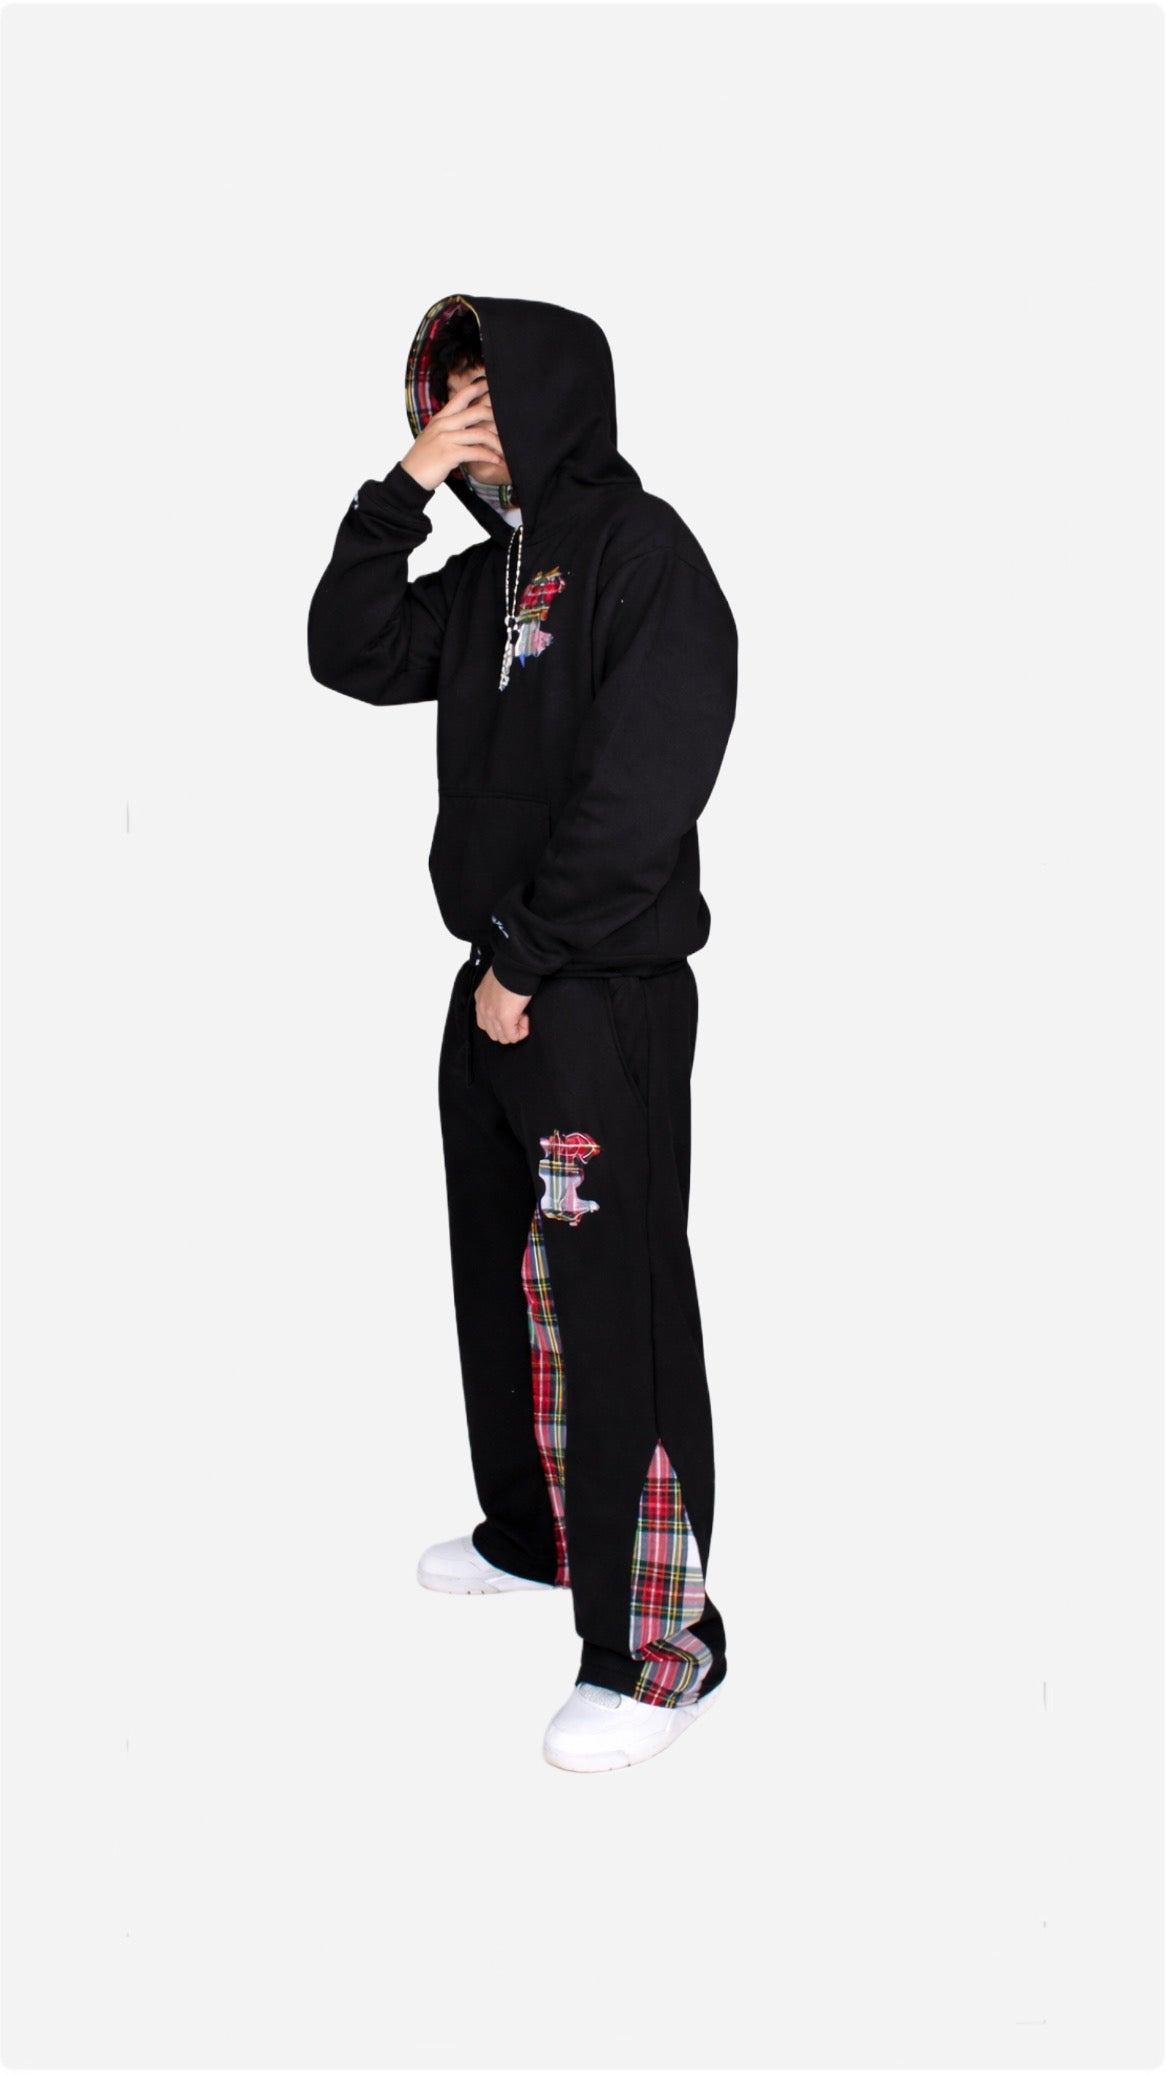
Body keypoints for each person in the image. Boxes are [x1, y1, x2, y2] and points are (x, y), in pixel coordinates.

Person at [307, 293, 738, 1772]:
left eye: (486, 395)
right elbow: (348, 648)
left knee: (614, 1303)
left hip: (595, 987)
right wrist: (406, 485)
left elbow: (647, 786)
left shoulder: (643, 553)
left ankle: (657, 1649)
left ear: (555, 395)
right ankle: (538, 1532)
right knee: (502, 1275)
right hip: (495, 979)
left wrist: (529, 957)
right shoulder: (489, 577)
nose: (464, 418)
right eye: (447, 398)